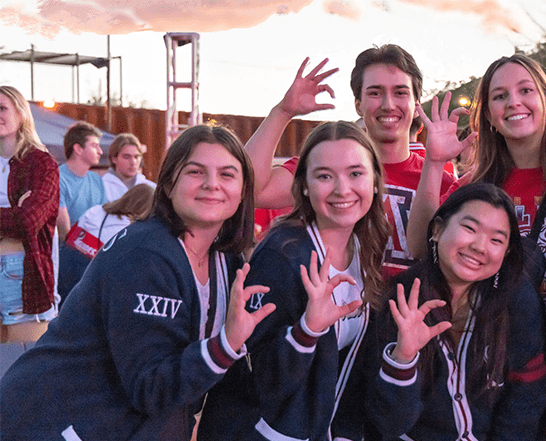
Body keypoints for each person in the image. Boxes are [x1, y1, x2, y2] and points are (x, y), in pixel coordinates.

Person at [0, 124, 276, 440]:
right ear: (169, 183)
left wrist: (308, 329)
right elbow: (152, 390)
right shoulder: (145, 254)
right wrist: (226, 344)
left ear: (243, 191)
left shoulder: (226, 260)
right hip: (49, 422)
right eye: (196, 172)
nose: (212, 184)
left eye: (227, 175)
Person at [198, 121, 390, 441]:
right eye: (324, 175)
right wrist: (307, 330)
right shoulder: (282, 254)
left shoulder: (365, 249)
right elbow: (257, 379)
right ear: (303, 186)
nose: (342, 189)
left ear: (374, 181)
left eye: (355, 173)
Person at [406, 52, 546, 328]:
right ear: (489, 114)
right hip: (499, 351)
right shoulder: (476, 187)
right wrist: (434, 161)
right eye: (500, 96)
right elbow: (419, 246)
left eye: (525, 90)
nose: (514, 102)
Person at [246, 46, 457, 279]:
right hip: (336, 310)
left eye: (400, 93)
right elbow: (253, 190)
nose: (388, 104)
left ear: (416, 104)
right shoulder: (330, 165)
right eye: (375, 93)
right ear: (358, 104)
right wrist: (282, 112)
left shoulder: (440, 181)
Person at [365, 183, 546, 441]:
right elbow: (388, 423)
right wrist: (403, 358)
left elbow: (524, 401)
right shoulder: (400, 298)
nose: (480, 247)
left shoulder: (516, 300)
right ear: (438, 230)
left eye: (496, 240)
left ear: (506, 253)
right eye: (470, 228)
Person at [0, 85, 59, 347]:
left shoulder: (41, 163)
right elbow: (19, 218)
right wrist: (14, 213)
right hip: (16, 266)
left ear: (21, 113)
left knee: (22, 372)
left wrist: (20, 216)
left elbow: (28, 221)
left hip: (21, 273)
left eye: (2, 108)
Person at [58, 183, 155, 303]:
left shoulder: (95, 210)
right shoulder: (128, 229)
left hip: (64, 267)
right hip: (89, 281)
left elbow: (71, 238)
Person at [56, 121, 106, 241]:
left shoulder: (97, 181)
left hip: (94, 251)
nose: (100, 151)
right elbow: (64, 233)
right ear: (78, 149)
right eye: (94, 146)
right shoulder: (56, 179)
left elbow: (104, 221)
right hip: (66, 253)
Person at [102, 132, 156, 202]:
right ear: (114, 159)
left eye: (136, 157)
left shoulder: (151, 188)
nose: (133, 162)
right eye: (126, 157)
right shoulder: (102, 189)